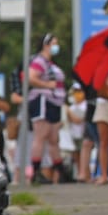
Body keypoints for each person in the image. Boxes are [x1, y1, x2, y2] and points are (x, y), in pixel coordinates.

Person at [27, 33, 68, 184]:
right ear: (46, 45)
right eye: (54, 44)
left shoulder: (50, 64)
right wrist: (47, 85)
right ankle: (36, 171)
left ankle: (61, 171)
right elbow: (31, 78)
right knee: (41, 135)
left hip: (54, 102)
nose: (56, 47)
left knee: (53, 138)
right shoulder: (39, 61)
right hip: (43, 100)